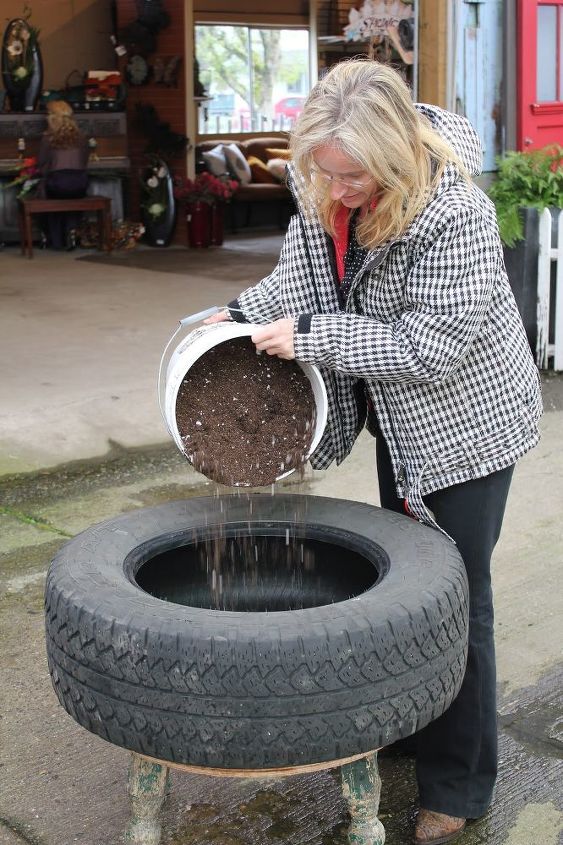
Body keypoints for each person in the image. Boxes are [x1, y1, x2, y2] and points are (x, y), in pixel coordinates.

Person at [205, 59, 542, 843]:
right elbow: (299, 280)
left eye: (353, 176)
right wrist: (225, 320)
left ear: (391, 154)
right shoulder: (325, 184)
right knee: (407, 581)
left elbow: (432, 349)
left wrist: (316, 338)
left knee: (456, 595)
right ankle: (413, 719)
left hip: (465, 424)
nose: (338, 191)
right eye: (324, 175)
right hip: (398, 415)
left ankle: (457, 784)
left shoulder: (453, 212)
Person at [37, 99, 89, 249]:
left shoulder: (48, 138)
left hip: (57, 184)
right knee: (72, 198)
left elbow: (42, 163)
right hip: (80, 183)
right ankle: (72, 232)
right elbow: (84, 162)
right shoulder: (81, 137)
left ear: (53, 117)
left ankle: (55, 240)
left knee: (48, 194)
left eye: (48, 114)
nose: (46, 117)